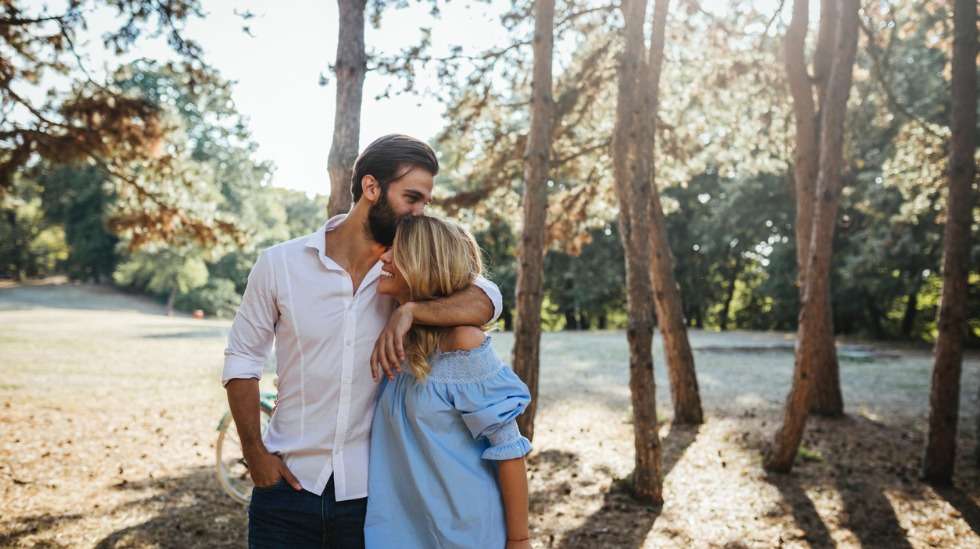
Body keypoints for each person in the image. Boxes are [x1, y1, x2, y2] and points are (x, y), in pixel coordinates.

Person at [222, 134, 503, 549]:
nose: (420, 212)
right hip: (285, 490)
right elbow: (242, 359)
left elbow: (488, 299)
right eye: (412, 198)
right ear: (371, 187)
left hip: (375, 499)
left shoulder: (403, 275)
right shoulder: (280, 265)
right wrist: (254, 453)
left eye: (426, 202)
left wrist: (411, 311)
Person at [365, 215, 532, 549]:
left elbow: (509, 450)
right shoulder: (399, 338)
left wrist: (519, 540)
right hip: (400, 534)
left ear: (424, 264)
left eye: (397, 251)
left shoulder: (463, 342)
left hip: (467, 536)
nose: (384, 257)